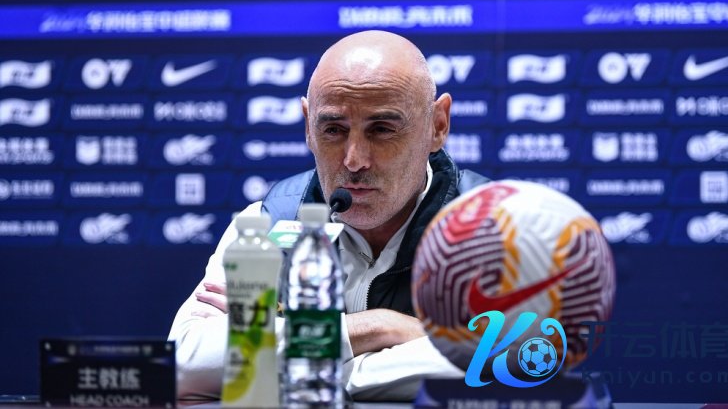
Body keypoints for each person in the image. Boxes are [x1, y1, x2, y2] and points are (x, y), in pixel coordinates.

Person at [168, 30, 490, 401]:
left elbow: (516, 362)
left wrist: (283, 346)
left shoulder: (497, 228)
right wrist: (375, 328)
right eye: (333, 129)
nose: (354, 160)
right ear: (309, 126)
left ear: (438, 125)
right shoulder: (269, 222)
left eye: (382, 129)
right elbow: (183, 362)